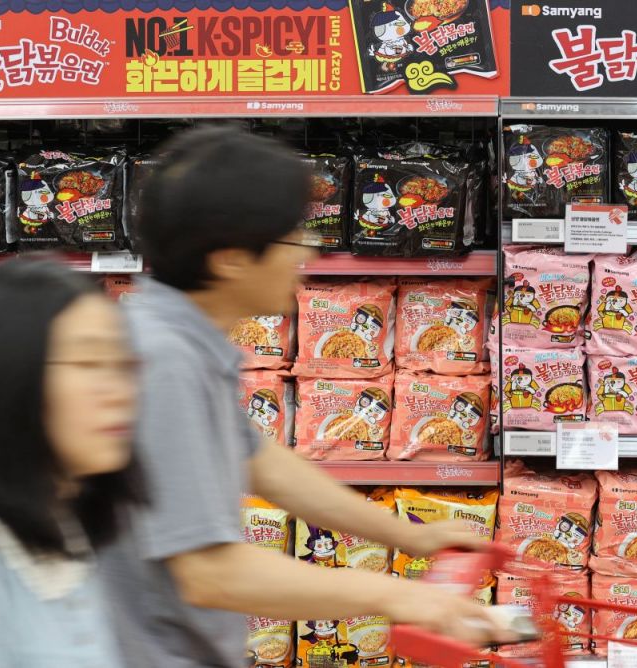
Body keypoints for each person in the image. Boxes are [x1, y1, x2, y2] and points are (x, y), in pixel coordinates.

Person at [101, 125, 510, 668]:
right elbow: (209, 573)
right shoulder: (165, 361)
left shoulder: (190, 344)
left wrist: (409, 536)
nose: (309, 249)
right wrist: (397, 595)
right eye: (290, 236)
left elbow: (265, 465)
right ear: (231, 259)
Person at [0, 259, 143, 666]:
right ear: (11, 377)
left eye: (123, 365)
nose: (120, 392)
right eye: (88, 363)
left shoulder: (70, 522)